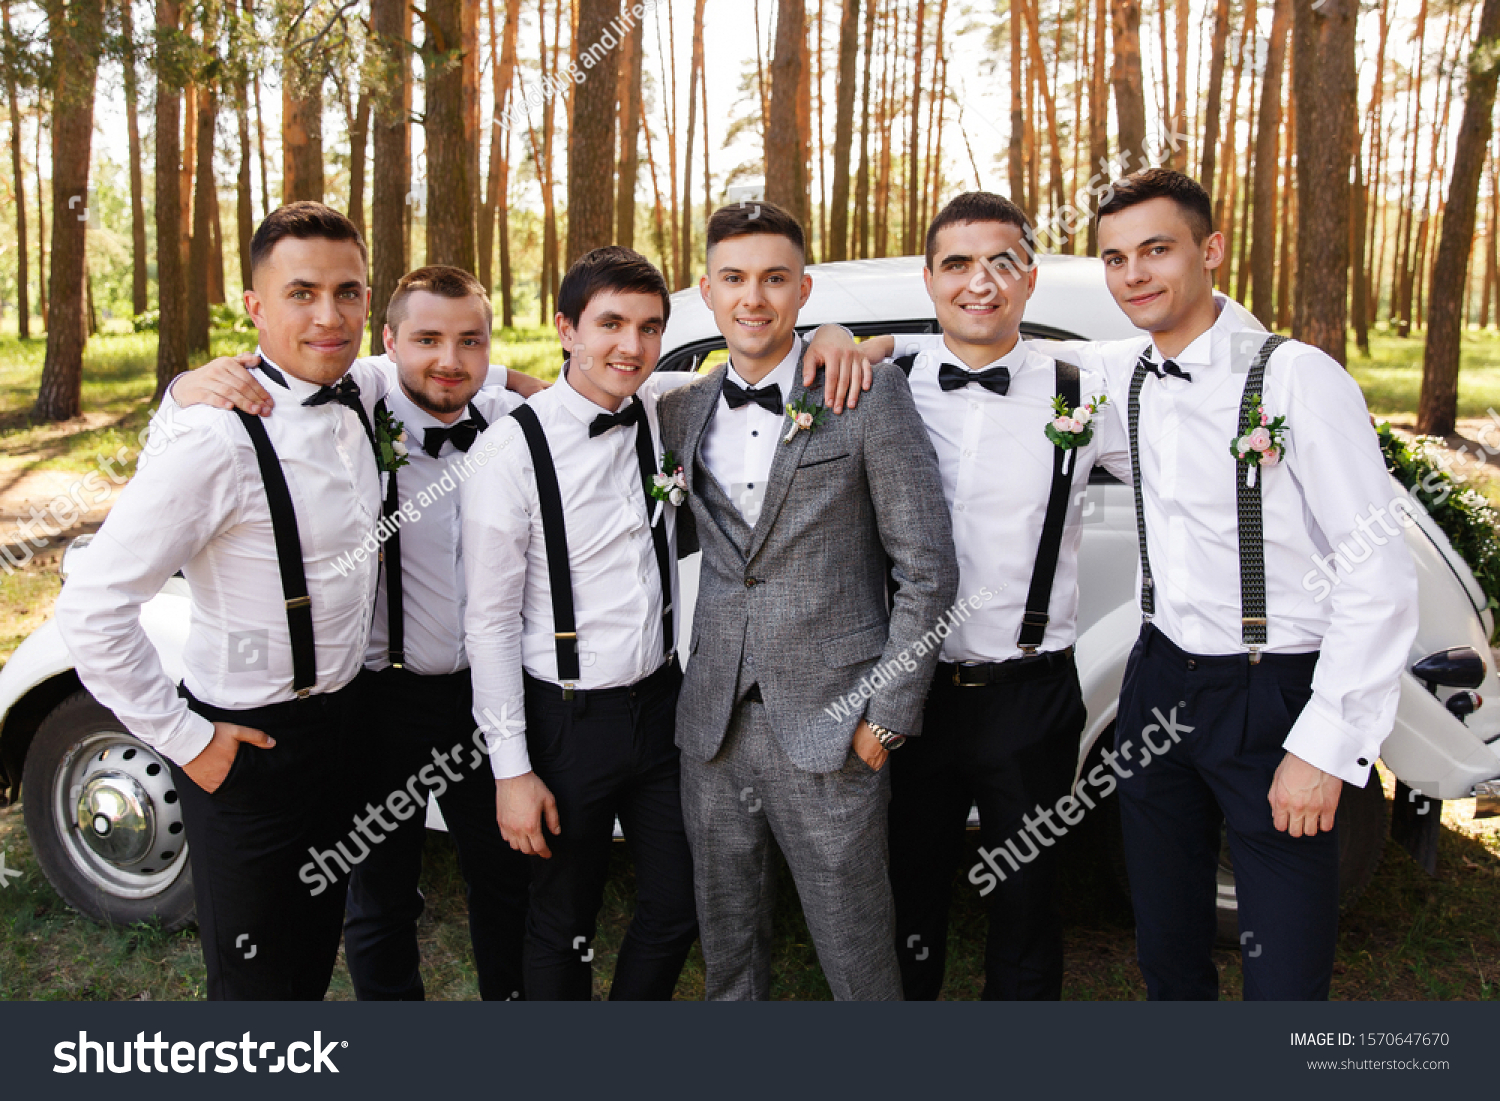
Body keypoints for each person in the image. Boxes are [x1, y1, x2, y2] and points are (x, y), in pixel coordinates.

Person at [1069, 168, 1417, 999]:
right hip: (1157, 680)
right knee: (1168, 945)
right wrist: (848, 340)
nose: (1135, 276)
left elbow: (1379, 568)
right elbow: (1000, 354)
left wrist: (1324, 744)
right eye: (1115, 259)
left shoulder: (1299, 378)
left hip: (1275, 692)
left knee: (1286, 970)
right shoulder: (1121, 373)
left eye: (1156, 250)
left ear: (1210, 249)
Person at [55, 202, 392, 1000]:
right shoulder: (214, 439)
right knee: (255, 988)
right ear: (255, 308)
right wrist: (185, 739)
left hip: (343, 731)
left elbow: (449, 366)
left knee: (309, 959)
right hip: (247, 749)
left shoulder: (364, 388)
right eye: (301, 293)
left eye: (348, 293)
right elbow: (92, 607)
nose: (329, 315)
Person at [824, 192, 1132, 999]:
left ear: (1030, 278)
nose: (980, 282)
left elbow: (1193, 401)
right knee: (906, 886)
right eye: (957, 264)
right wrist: (840, 336)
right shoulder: (882, 378)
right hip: (907, 692)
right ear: (929, 281)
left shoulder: (1085, 387)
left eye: (1003, 262)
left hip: (1029, 690)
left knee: (1029, 899)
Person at [656, 201, 960, 1000]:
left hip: (835, 722)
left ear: (803, 289)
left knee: (856, 951)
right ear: (709, 290)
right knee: (729, 949)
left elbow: (926, 567)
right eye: (734, 278)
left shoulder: (865, 392)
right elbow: (583, 384)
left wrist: (886, 717)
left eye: (773, 278)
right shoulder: (680, 408)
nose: (753, 297)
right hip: (712, 725)